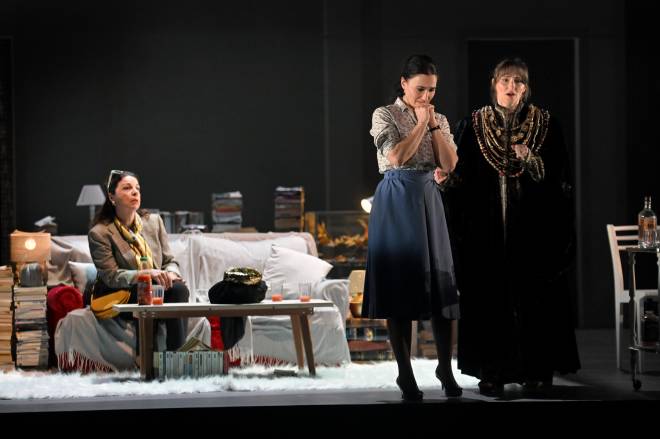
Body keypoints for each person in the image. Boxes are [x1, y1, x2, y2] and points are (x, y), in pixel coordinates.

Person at [442, 58, 581, 396]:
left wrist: (531, 160)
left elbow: (561, 179)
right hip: (486, 234)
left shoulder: (545, 124)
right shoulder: (473, 125)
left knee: (534, 298)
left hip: (532, 233)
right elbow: (458, 176)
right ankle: (492, 371)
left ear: (526, 88)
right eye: (505, 80)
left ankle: (536, 370)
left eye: (518, 82)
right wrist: (448, 182)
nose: (511, 87)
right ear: (494, 83)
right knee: (490, 299)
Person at [362, 54, 462, 400]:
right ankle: (405, 372)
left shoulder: (439, 118)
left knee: (441, 286)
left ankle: (445, 369)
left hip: (428, 198)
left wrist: (432, 125)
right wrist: (420, 123)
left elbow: (449, 163)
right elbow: (395, 157)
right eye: (420, 89)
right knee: (401, 287)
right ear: (404, 84)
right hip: (396, 198)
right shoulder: (384, 115)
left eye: (432, 90)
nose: (426, 97)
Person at [88, 169, 189, 355]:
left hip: (155, 286)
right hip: (122, 293)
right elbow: (111, 276)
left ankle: (176, 356)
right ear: (112, 197)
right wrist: (146, 274)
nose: (135, 192)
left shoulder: (153, 222)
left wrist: (172, 274)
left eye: (137, 188)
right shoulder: (100, 233)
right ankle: (146, 357)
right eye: (127, 188)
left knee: (179, 289)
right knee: (146, 290)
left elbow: (169, 260)